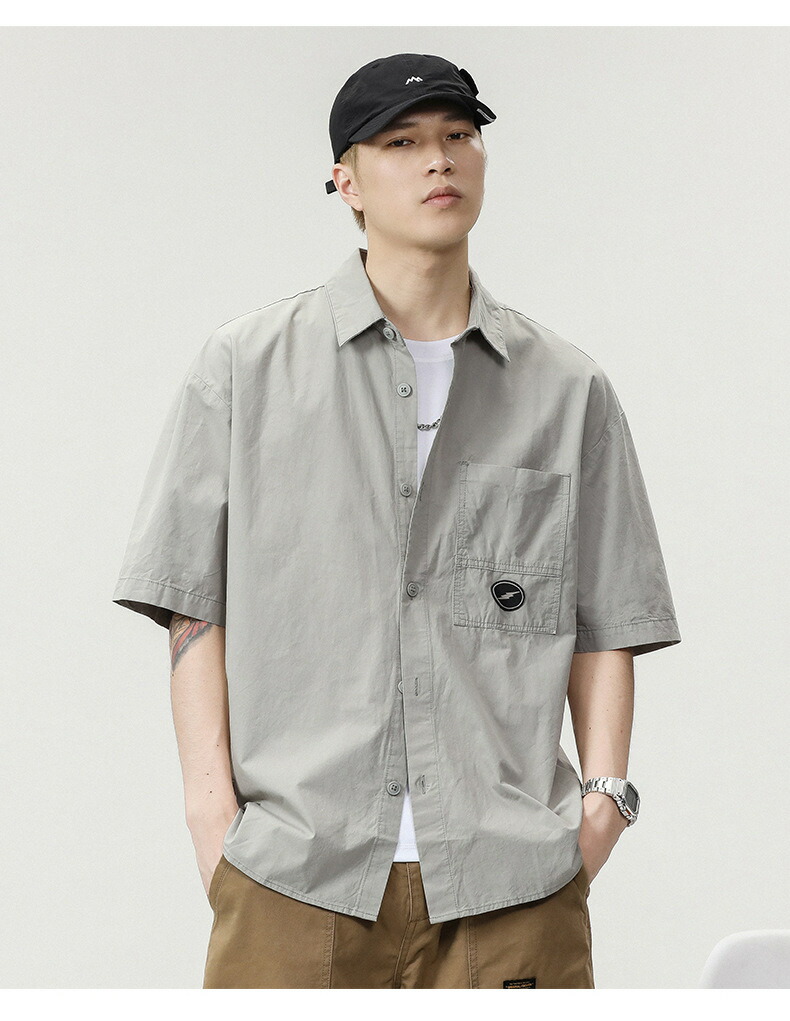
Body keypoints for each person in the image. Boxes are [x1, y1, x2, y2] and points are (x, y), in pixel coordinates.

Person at [112, 52, 681, 988]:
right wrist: (213, 820)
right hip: (297, 877)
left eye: (459, 135)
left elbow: (607, 619)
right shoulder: (245, 370)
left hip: (512, 886)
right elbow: (192, 606)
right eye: (402, 143)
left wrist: (601, 806)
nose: (439, 160)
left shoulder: (567, 389)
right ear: (346, 181)